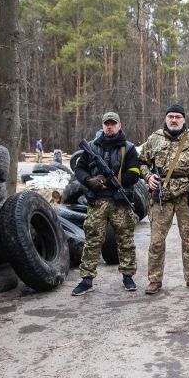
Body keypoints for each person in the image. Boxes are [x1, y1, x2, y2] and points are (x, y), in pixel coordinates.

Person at [139, 104, 189, 295]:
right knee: (156, 241)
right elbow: (141, 162)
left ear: (184, 119)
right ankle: (154, 280)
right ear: (166, 118)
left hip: (187, 197)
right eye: (170, 116)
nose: (174, 120)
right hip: (161, 197)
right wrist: (148, 177)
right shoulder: (154, 139)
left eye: (178, 117)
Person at [71, 112, 141, 296]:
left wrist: (108, 181)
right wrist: (90, 181)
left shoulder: (129, 148)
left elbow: (134, 174)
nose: (109, 126)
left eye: (113, 123)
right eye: (106, 124)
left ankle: (128, 276)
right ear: (102, 126)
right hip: (97, 201)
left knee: (126, 241)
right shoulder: (92, 147)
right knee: (92, 240)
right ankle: (87, 280)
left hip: (120, 201)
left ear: (119, 125)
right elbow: (79, 169)